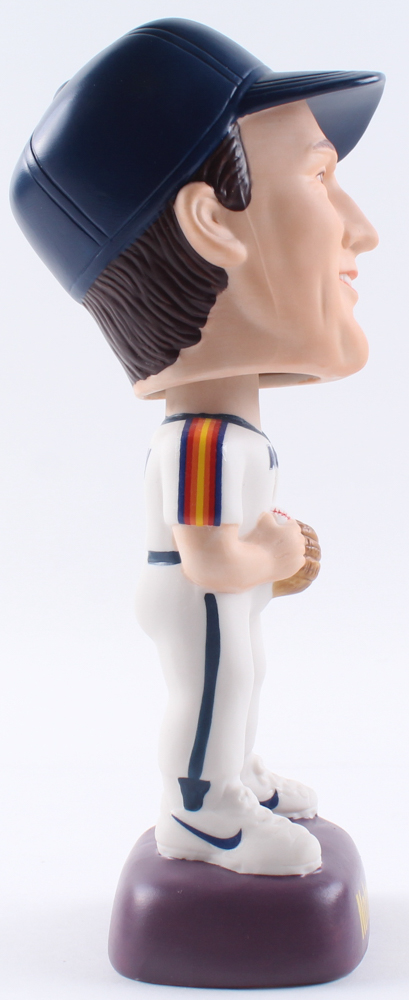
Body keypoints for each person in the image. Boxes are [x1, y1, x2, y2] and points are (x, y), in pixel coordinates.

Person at [10, 18, 384, 876]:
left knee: (239, 679)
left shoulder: (222, 431)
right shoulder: (206, 439)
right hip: (195, 595)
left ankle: (235, 779)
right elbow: (211, 557)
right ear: (213, 223)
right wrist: (279, 549)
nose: (361, 229)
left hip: (213, 594)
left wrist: (271, 556)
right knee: (216, 685)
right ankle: (200, 811)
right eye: (319, 178)